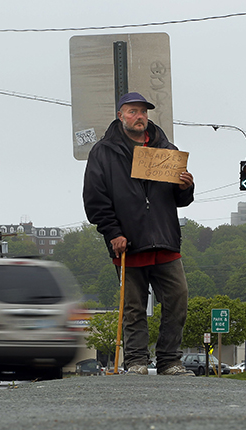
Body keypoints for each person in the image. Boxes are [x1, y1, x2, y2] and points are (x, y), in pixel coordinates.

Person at [83, 92, 195, 376]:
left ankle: (170, 360)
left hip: (165, 240)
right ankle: (135, 360)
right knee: (133, 307)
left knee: (177, 300)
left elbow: (179, 201)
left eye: (143, 112)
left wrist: (186, 188)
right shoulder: (103, 151)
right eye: (132, 111)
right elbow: (95, 199)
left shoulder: (167, 149)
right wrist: (112, 232)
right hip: (128, 243)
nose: (139, 116)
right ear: (120, 114)